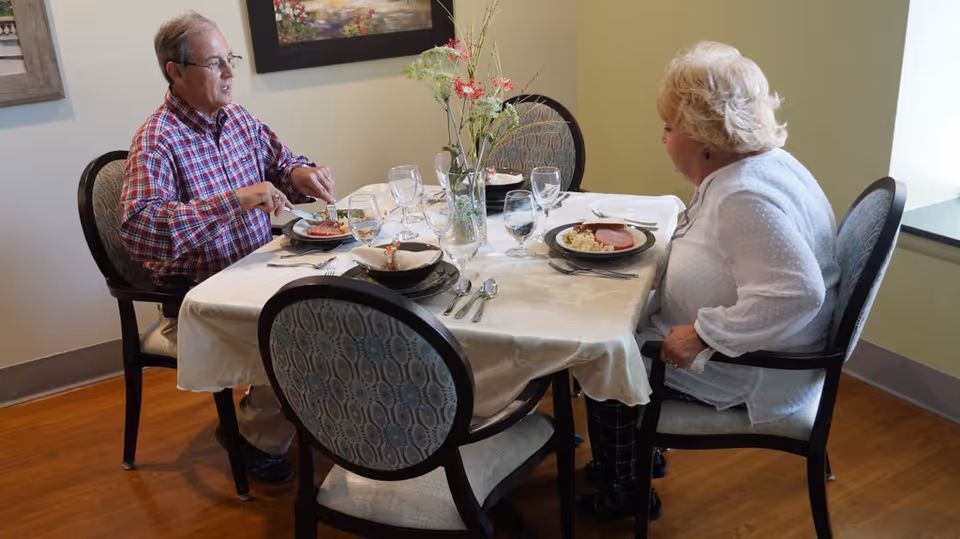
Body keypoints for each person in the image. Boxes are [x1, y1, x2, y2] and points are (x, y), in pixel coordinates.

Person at [580, 41, 841, 520]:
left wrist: (704, 334)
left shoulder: (745, 197)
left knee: (603, 356)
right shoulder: (765, 164)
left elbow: (799, 291)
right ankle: (635, 457)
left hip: (756, 367)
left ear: (705, 136)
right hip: (771, 348)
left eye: (668, 127)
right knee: (615, 335)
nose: (663, 138)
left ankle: (623, 493)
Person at [120, 11, 336, 483]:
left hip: (261, 270)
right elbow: (138, 227)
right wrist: (233, 201)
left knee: (346, 298)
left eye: (229, 59)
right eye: (214, 63)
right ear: (175, 73)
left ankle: (323, 420)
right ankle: (252, 434)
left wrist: (301, 174)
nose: (230, 73)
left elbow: (283, 164)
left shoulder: (237, 119)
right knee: (311, 324)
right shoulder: (158, 139)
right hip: (204, 296)